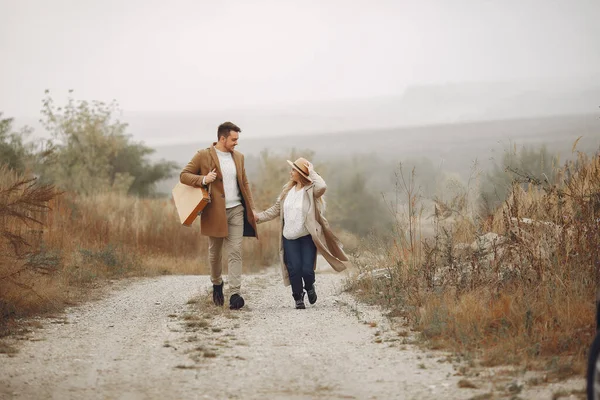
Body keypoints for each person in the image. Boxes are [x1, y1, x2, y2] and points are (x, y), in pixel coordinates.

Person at [254, 157, 351, 309]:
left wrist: (311, 171)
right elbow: (275, 210)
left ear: (300, 173)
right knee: (294, 268)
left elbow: (322, 186)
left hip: (307, 237)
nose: (290, 172)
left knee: (307, 269)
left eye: (293, 169)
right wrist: (258, 217)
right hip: (289, 236)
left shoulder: (310, 190)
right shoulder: (287, 192)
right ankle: (298, 296)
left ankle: (310, 286)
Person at [180, 122, 257, 310]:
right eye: (233, 139)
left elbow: (244, 183)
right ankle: (216, 283)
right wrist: (204, 179)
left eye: (237, 139)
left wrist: (251, 208)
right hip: (214, 211)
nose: (236, 143)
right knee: (215, 253)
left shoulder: (239, 157)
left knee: (235, 251)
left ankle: (235, 294)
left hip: (236, 210)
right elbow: (184, 175)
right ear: (222, 138)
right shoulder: (203, 155)